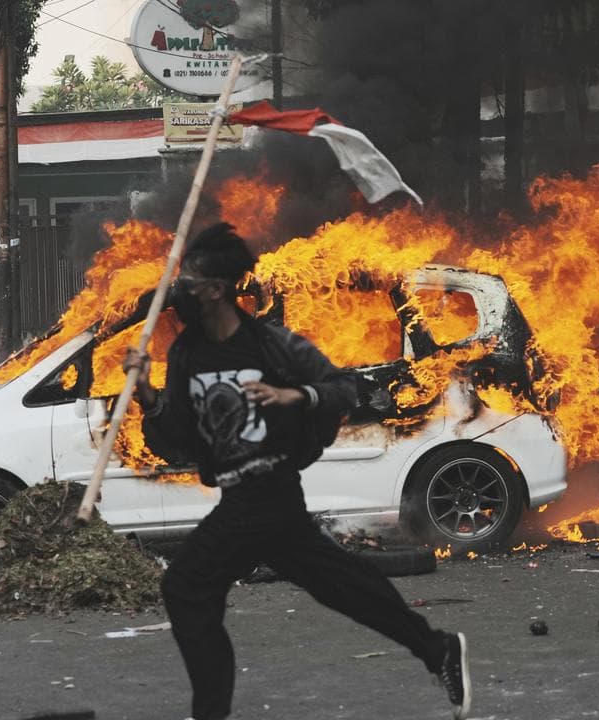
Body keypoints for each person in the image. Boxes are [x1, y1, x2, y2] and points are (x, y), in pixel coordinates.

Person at [124, 223, 471, 720]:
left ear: (216, 290)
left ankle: (210, 713)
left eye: (189, 280)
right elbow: (178, 440)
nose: (179, 289)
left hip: (270, 491)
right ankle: (437, 649)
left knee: (186, 585)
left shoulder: (270, 346)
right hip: (241, 498)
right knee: (341, 585)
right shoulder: (186, 356)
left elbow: (344, 389)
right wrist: (148, 396)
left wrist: (296, 395)